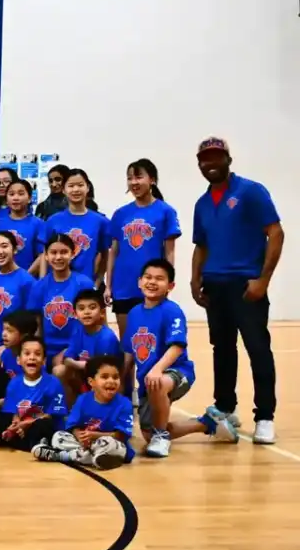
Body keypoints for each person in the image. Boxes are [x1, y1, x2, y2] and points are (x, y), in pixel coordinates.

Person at [191, 136, 283, 445]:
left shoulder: (251, 191)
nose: (211, 163)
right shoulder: (202, 204)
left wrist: (263, 280)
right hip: (214, 286)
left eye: (216, 157)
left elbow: (275, 233)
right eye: (205, 159)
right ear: (199, 164)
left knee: (257, 348)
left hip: (246, 285)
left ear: (228, 160)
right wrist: (194, 280)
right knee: (222, 349)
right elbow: (201, 246)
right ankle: (226, 409)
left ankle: (265, 417)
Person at [123, 259, 237, 457]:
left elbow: (176, 346)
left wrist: (157, 369)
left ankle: (161, 437)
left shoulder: (172, 311)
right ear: (139, 282)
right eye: (148, 277)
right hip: (147, 381)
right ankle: (206, 423)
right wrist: (121, 379)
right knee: (147, 435)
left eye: (159, 279)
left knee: (158, 384)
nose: (152, 282)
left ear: (170, 286)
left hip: (176, 373)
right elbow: (128, 352)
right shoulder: (133, 314)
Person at [106, 158, 181, 344]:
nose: (134, 182)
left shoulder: (166, 211)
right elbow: (113, 252)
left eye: (139, 177)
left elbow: (169, 252)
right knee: (127, 343)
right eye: (130, 178)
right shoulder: (120, 214)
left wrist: (167, 282)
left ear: (152, 180)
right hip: (123, 286)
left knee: (150, 341)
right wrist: (108, 286)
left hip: (152, 285)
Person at [33, 356, 134, 470]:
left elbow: (120, 436)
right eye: (104, 377)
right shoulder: (83, 399)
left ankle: (64, 456)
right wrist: (80, 436)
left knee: (114, 445)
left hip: (107, 444)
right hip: (84, 445)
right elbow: (73, 426)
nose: (111, 381)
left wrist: (94, 436)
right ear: (91, 382)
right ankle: (92, 458)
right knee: (59, 436)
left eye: (115, 377)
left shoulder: (124, 403)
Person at [0, 338, 68, 451]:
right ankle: (9, 437)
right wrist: (15, 423)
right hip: (21, 425)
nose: (32, 357)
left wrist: (27, 423)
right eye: (27, 353)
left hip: (39, 424)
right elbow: (12, 412)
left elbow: (52, 415)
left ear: (44, 360)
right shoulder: (14, 383)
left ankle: (37, 443)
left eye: (37, 354)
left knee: (43, 425)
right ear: (18, 360)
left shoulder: (53, 383)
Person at [28, 235, 94, 361]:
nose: (58, 257)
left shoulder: (84, 284)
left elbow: (94, 323)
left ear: (73, 254)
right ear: (46, 256)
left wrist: (69, 352)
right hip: (47, 349)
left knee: (60, 370)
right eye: (53, 253)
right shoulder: (39, 286)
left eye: (64, 252)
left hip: (78, 347)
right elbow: (37, 327)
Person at [53, 288, 120, 405]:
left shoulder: (106, 337)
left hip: (107, 381)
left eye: (92, 308)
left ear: (102, 313)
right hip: (86, 377)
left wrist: (78, 363)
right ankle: (72, 409)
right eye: (81, 308)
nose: (87, 312)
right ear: (75, 314)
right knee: (59, 370)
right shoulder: (78, 331)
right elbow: (67, 359)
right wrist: (83, 364)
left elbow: (102, 368)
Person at [43, 169, 109, 282]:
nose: (76, 189)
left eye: (80, 185)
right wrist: (43, 281)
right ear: (64, 190)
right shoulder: (53, 221)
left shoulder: (100, 221)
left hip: (86, 285)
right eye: (71, 186)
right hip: (56, 283)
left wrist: (98, 281)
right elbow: (45, 254)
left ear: (87, 187)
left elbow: (105, 254)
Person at [0, 231, 36, 355]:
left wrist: (6, 349)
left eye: (4, 246)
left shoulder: (27, 281)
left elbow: (31, 322)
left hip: (16, 349)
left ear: (15, 249)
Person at [0, 179, 44, 274]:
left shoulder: (38, 224)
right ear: (6, 199)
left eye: (21, 194)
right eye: (11, 194)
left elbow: (42, 256)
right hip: (2, 280)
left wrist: (25, 277)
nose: (16, 198)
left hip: (28, 278)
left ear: (30, 198)